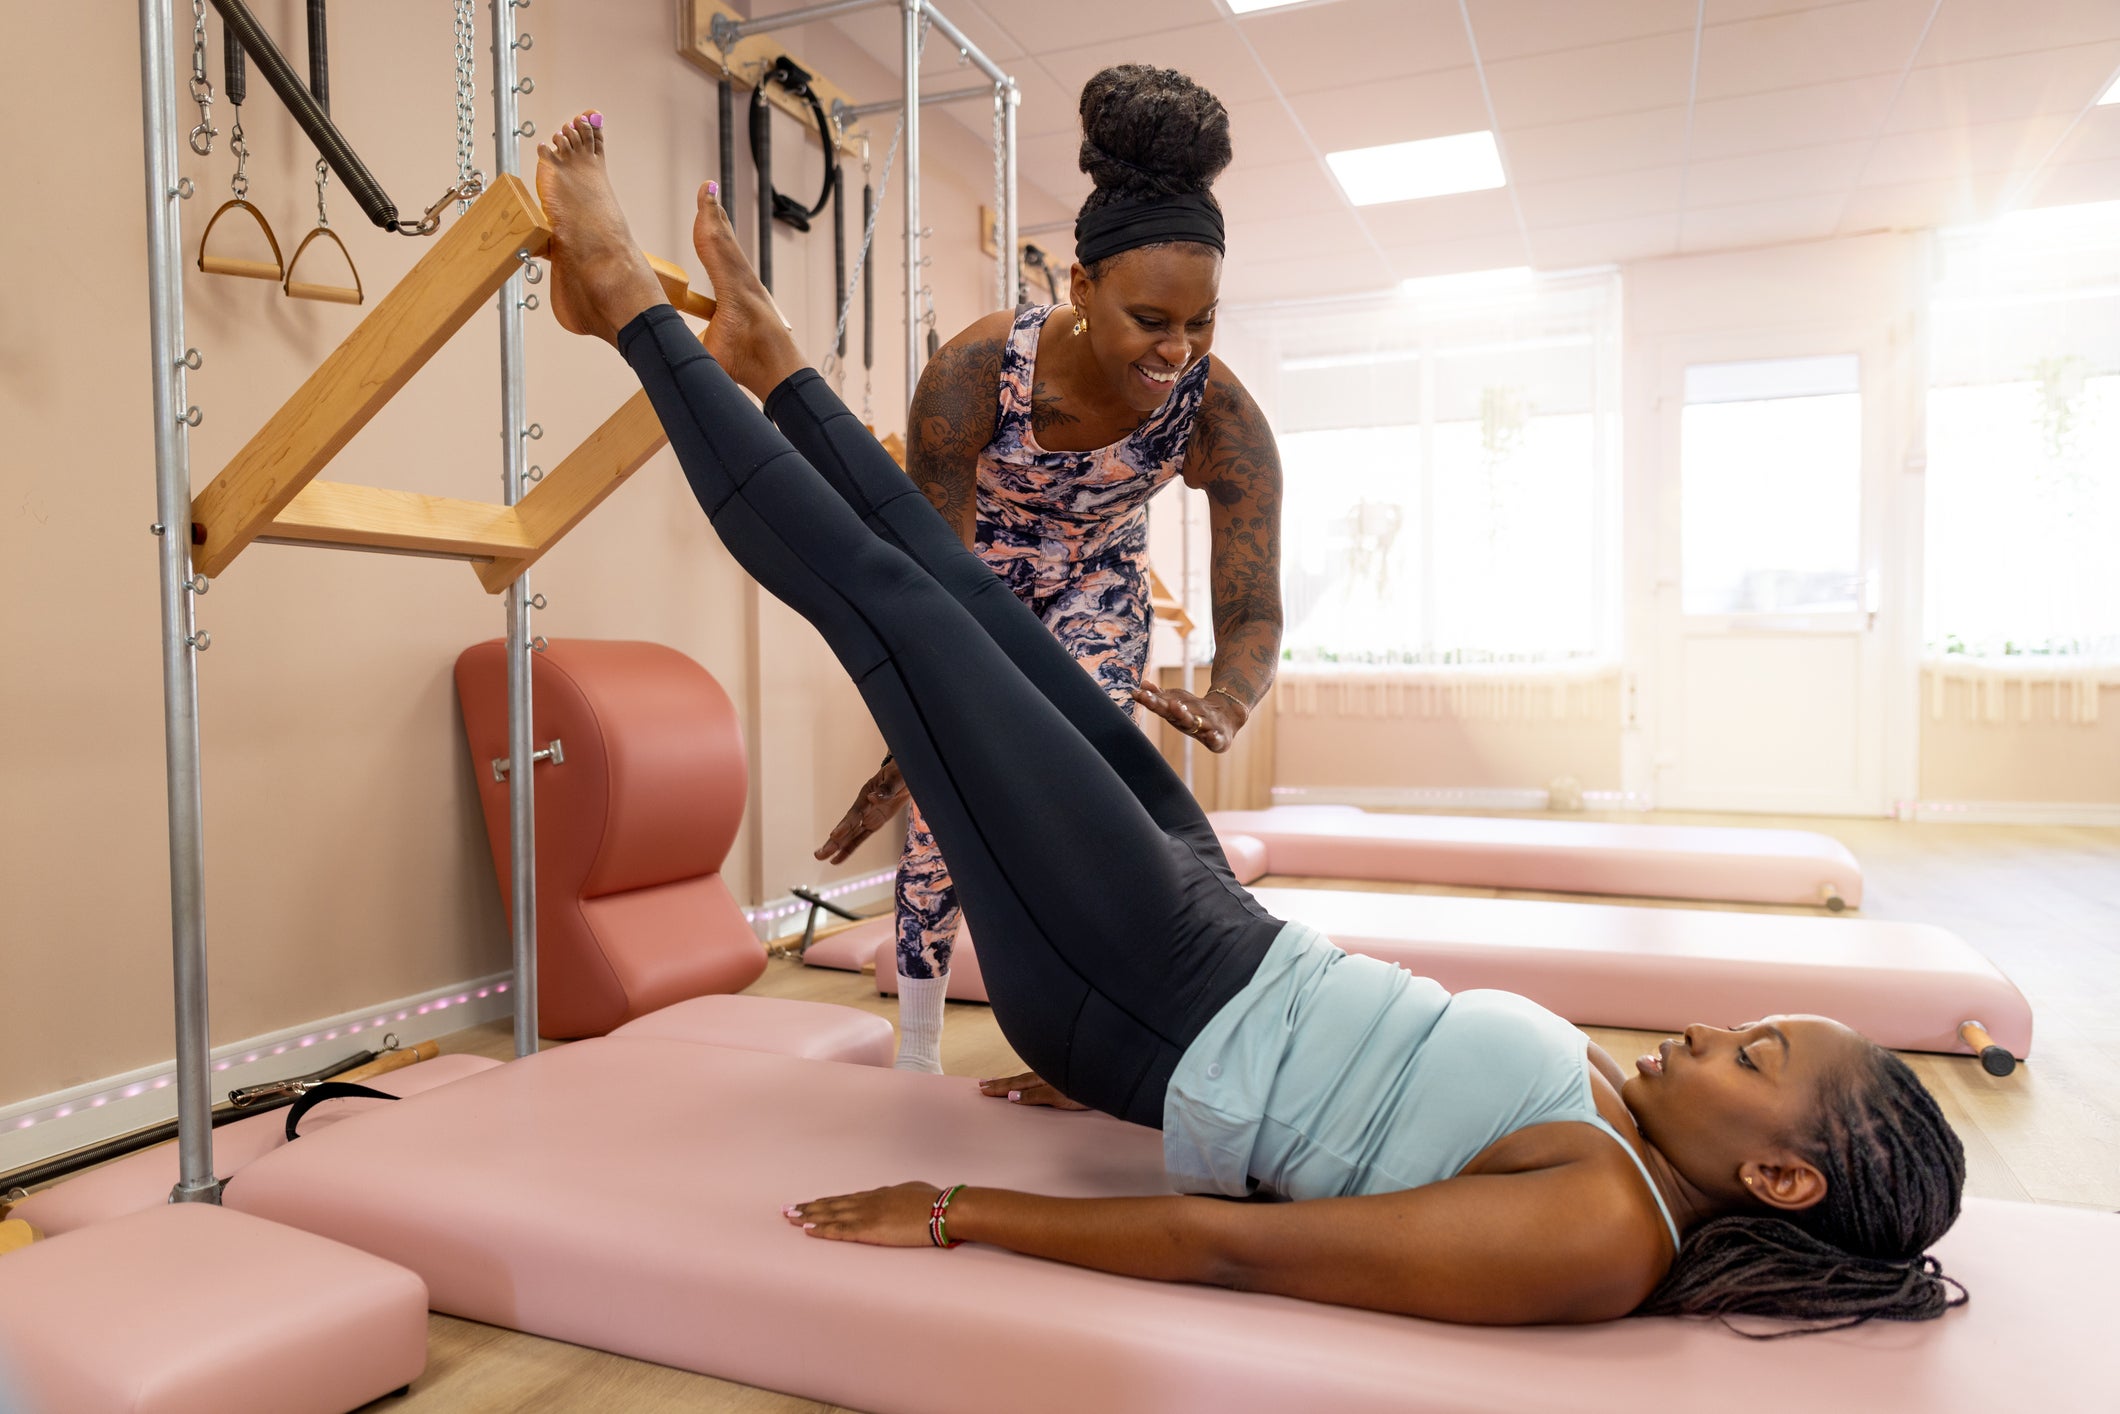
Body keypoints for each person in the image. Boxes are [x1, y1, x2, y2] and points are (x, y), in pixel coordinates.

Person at [534, 111, 1967, 1331]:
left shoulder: (1605, 1230)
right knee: (965, 597)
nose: (1714, 1032)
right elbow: (1352, 1122)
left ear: (1781, 1175)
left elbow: (1246, 1246)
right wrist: (1126, 1093)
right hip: (1206, 946)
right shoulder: (1634, 1135)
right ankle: (773, 358)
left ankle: (628, 301)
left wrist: (965, 1207)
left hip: (1153, 978)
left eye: (1754, 1056)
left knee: (889, 614)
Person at [812, 65, 1285, 1073]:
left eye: (1200, 321)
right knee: (946, 809)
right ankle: (918, 1050)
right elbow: (922, 576)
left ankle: (1101, 1040)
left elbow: (1252, 609)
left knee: (1081, 800)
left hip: (1099, 589)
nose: (1178, 347)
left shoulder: (1218, 416)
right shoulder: (974, 377)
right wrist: (910, 745)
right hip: (968, 586)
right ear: (1079, 288)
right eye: (1151, 319)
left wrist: (1229, 699)